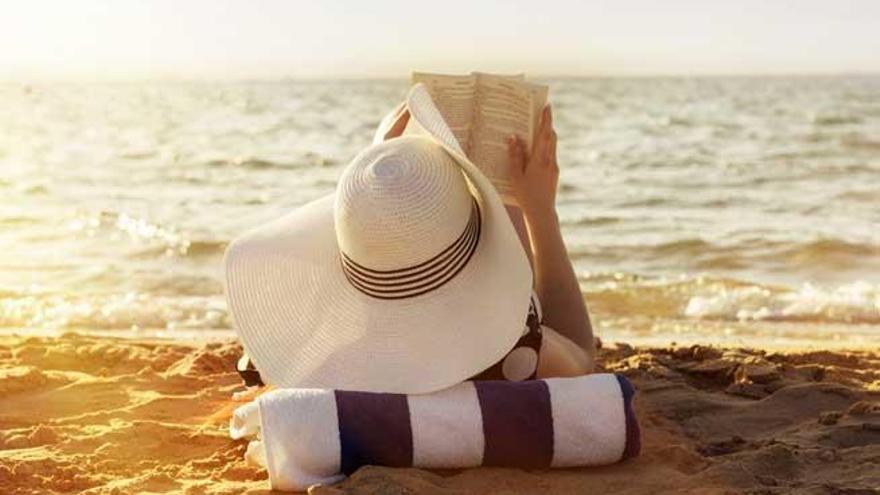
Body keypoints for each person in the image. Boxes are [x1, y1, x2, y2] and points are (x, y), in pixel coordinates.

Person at [225, 84, 594, 395]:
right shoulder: (516, 349)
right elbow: (581, 357)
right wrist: (540, 212)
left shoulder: (327, 362)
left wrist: (379, 167)